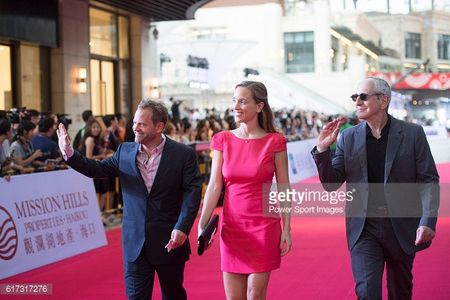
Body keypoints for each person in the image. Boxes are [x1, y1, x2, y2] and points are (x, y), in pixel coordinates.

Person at [57, 99, 202, 300]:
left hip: (170, 240)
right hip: (135, 243)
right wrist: (69, 154)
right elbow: (96, 169)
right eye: (134, 122)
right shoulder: (125, 151)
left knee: (173, 295)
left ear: (159, 126)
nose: (135, 128)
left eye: (142, 124)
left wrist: (182, 227)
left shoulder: (183, 154)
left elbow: (192, 192)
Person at [311, 77, 439, 299]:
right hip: (363, 228)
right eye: (355, 97)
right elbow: (331, 184)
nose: (357, 102)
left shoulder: (412, 133)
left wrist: (427, 221)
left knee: (400, 291)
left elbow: (428, 180)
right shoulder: (348, 137)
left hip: (401, 225)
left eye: (363, 96)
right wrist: (322, 149)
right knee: (367, 290)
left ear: (383, 100)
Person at [198, 81, 292, 300]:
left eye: (242, 101)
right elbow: (214, 185)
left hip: (264, 227)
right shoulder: (222, 139)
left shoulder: (275, 141)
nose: (236, 106)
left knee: (255, 293)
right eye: (234, 101)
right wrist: (202, 223)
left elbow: (284, 187)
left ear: (259, 107)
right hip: (233, 228)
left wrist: (287, 226)